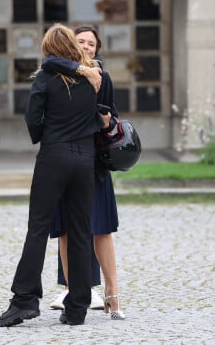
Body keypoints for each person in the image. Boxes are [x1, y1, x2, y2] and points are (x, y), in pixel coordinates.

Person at [0, 23, 111, 327]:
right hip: (84, 159)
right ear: (73, 48)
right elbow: (104, 113)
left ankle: (24, 301)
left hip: (53, 156)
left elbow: (32, 119)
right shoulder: (97, 76)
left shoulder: (46, 77)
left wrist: (44, 135)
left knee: (38, 228)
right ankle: (77, 307)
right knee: (79, 231)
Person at [41, 25, 126, 320]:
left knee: (101, 229)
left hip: (95, 163)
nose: (87, 46)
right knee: (65, 229)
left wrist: (104, 120)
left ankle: (113, 294)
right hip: (65, 160)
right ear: (71, 45)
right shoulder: (55, 72)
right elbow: (47, 60)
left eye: (91, 43)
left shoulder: (102, 76)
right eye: (81, 42)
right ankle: (73, 291)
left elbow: (112, 115)